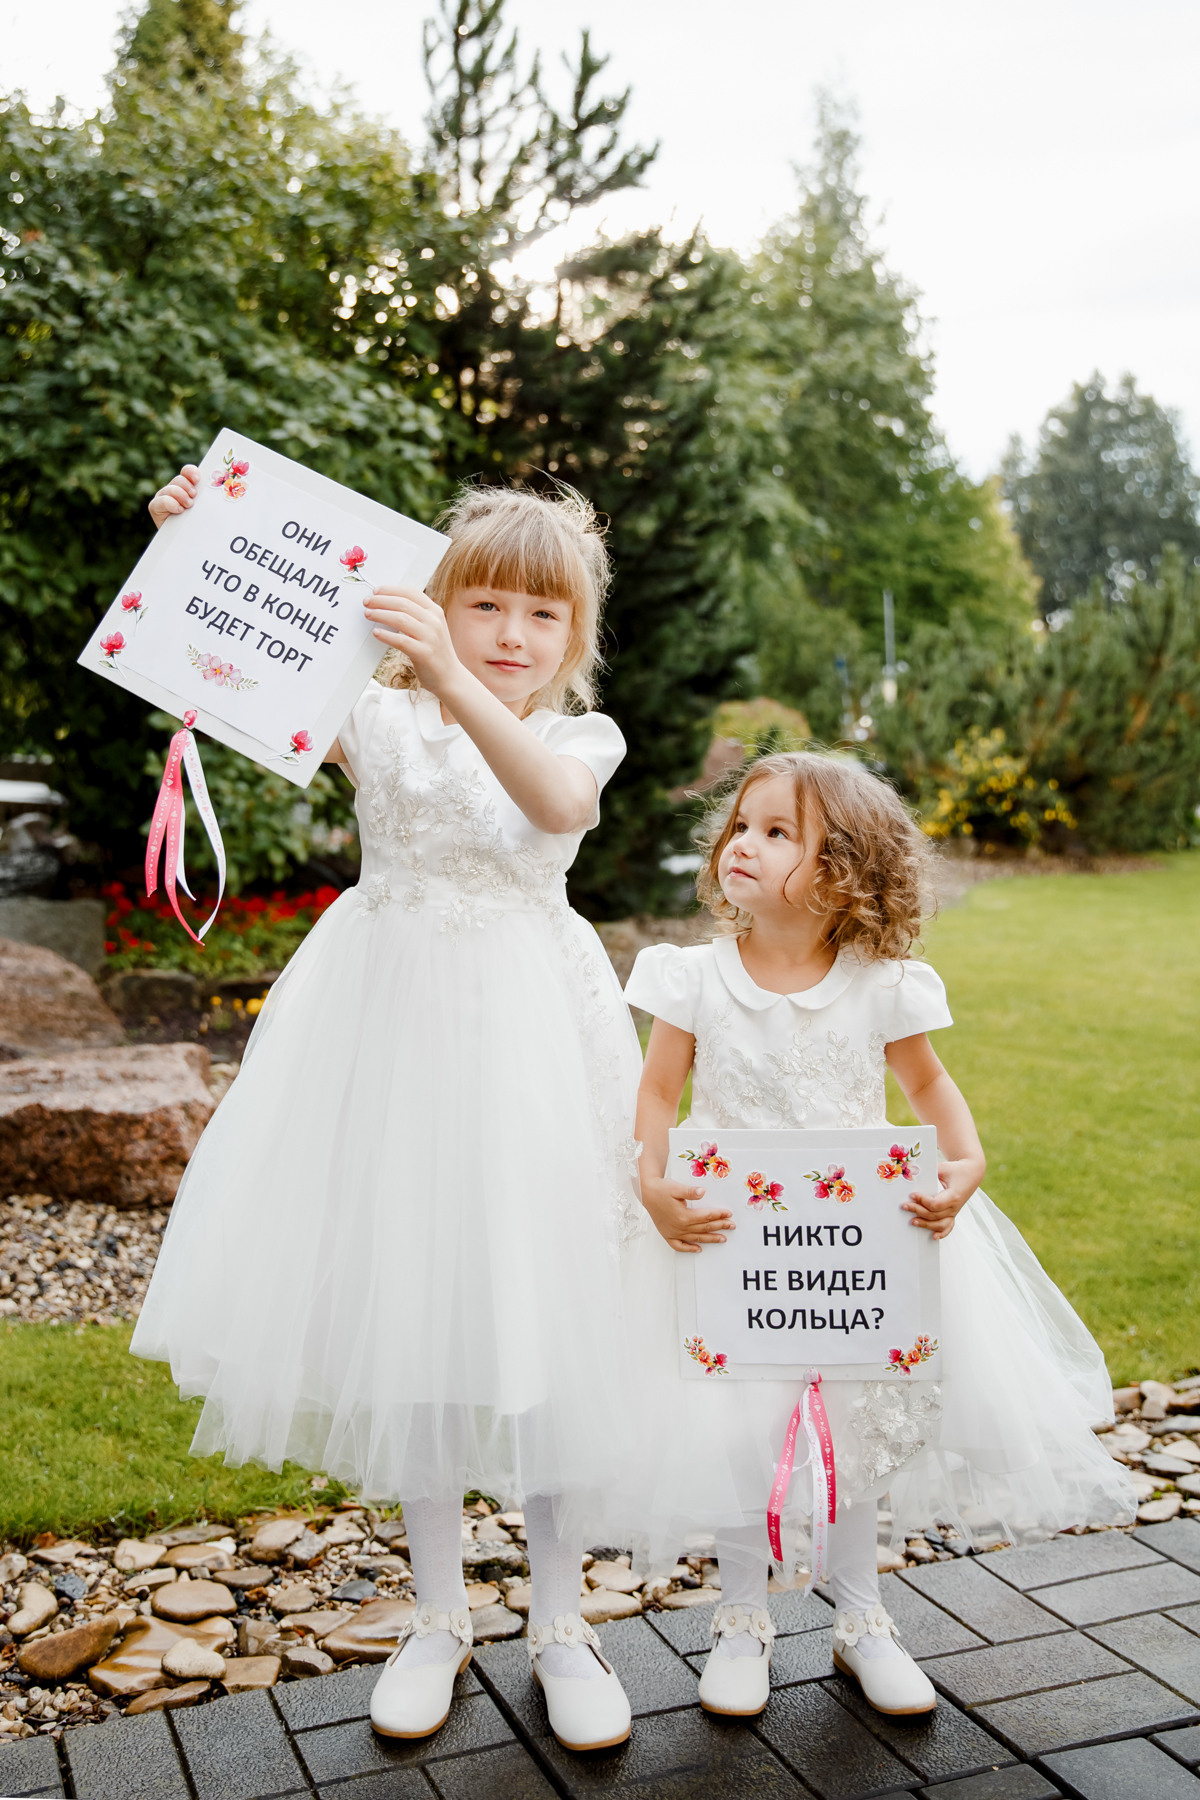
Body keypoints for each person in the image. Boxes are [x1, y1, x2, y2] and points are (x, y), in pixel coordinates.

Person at [132, 465, 641, 1752]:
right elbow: (228, 655)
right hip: (386, 1025)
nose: (510, 636)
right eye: (484, 609)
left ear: (571, 637)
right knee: (413, 1303)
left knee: (550, 1306)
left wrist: (460, 685)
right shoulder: (371, 715)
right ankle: (435, 1614)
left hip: (532, 1036)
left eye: (540, 617)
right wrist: (193, 540)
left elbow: (554, 809)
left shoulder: (579, 736)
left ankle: (563, 1620)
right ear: (436, 603)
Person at [621, 751, 1136, 1719]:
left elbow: (928, 1087)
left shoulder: (881, 986)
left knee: (851, 1423)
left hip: (853, 1255)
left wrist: (966, 1160)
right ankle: (741, 1617)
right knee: (739, 1420)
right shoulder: (690, 977)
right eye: (742, 825)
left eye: (779, 833)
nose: (745, 844)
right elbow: (656, 1092)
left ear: (842, 872)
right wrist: (651, 1184)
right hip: (727, 1245)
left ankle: (860, 1617)